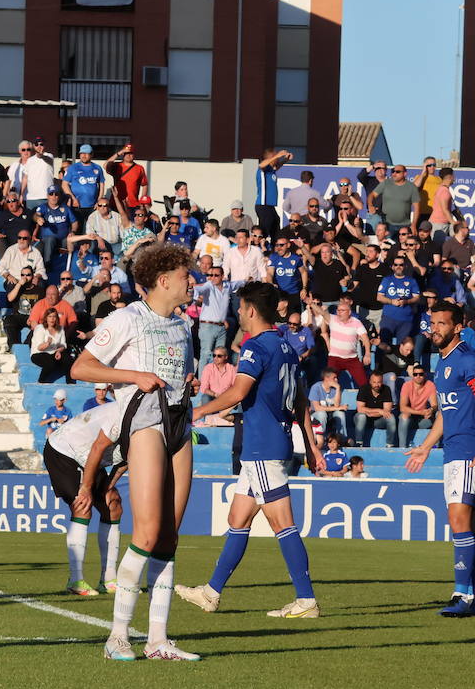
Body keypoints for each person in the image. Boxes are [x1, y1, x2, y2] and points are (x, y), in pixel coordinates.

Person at [70, 243, 198, 662]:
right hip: (144, 424)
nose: (191, 281)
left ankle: (158, 640)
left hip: (180, 424)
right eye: (185, 276)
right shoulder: (126, 318)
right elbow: (81, 368)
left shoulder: (184, 327)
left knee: (167, 538)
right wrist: (133, 376)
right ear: (163, 281)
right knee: (144, 532)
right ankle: (117, 636)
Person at [178, 280, 324, 619]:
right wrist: (312, 445)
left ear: (252, 310)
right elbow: (301, 399)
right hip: (271, 444)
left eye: (242, 308)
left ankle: (306, 600)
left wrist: (198, 411)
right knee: (238, 518)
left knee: (282, 523)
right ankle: (211, 593)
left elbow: (239, 392)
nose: (239, 313)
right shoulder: (286, 347)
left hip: (262, 444)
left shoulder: (256, 347)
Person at [405, 301, 475, 617]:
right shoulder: (441, 364)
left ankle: (463, 596)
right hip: (452, 451)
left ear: (458, 327)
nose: (435, 328)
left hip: (470, 451)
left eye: (442, 323)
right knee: (467, 523)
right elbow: (446, 411)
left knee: (459, 521)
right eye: (432, 323)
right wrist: (427, 445)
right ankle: (470, 597)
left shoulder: (469, 360)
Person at [42, 398, 128, 596]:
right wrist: (87, 487)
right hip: (65, 450)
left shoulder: (153, 424)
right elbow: (98, 447)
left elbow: (127, 459)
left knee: (112, 503)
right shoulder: (125, 415)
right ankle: (76, 580)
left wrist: (108, 487)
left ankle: (109, 579)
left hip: (89, 456)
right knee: (82, 504)